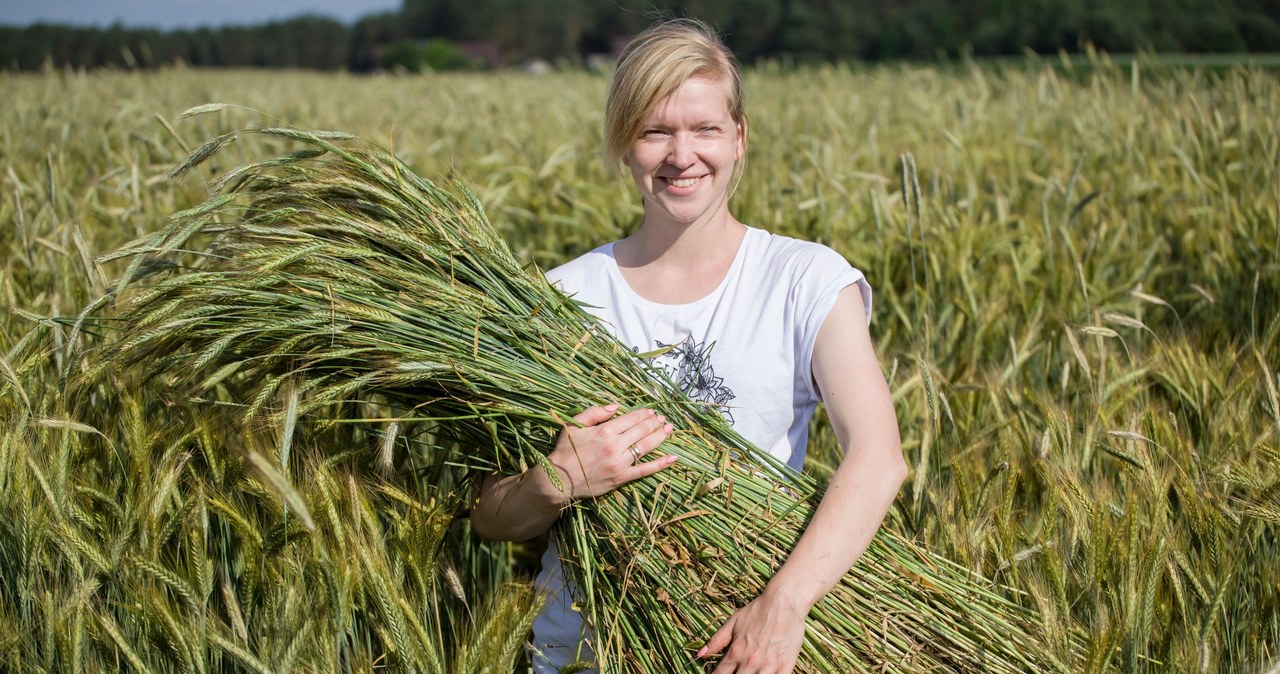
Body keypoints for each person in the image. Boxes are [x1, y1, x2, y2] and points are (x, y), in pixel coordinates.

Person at [470, 18, 906, 674]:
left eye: (704, 129)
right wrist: (554, 481)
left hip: (746, 653)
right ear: (623, 145)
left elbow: (878, 459)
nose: (682, 155)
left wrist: (782, 607)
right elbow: (488, 516)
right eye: (655, 131)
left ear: (739, 139)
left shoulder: (806, 279)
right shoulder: (560, 300)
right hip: (585, 657)